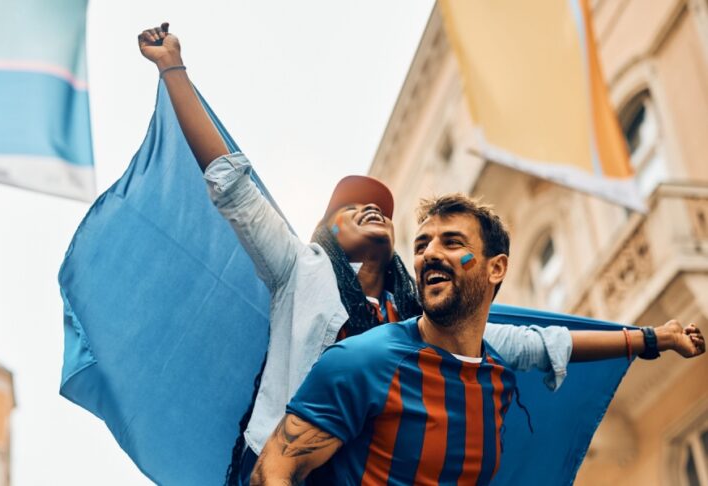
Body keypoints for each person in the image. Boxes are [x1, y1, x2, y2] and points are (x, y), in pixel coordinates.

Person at [135, 24, 705, 483]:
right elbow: (231, 184)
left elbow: (539, 343)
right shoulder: (299, 269)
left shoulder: (423, 315)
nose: (371, 211)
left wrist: (654, 338)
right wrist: (174, 69)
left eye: (381, 207)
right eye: (352, 207)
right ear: (327, 228)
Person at [253, 194, 705, 485]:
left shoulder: (496, 369)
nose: (430, 252)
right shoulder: (362, 361)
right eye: (423, 243)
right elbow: (274, 469)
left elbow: (550, 344)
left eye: (452, 242)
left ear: (497, 268)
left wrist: (652, 338)